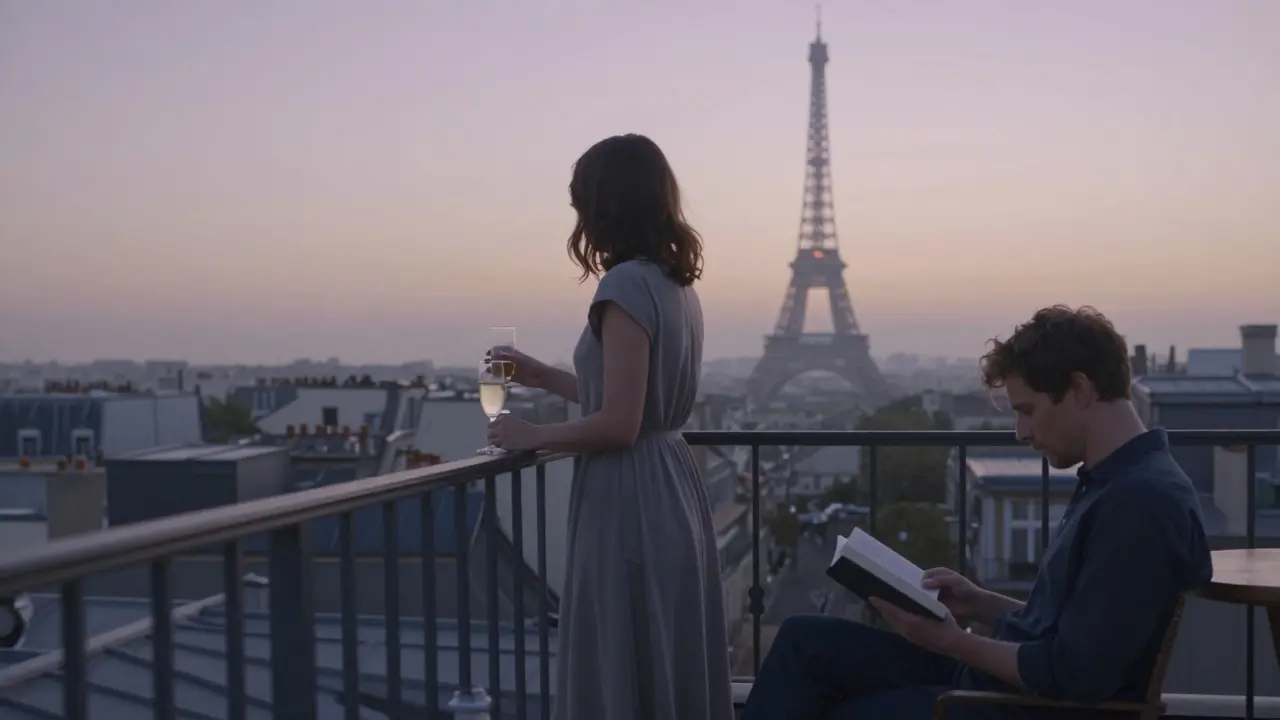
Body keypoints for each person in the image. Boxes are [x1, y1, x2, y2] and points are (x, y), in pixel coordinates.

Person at [741, 305, 1213, 719]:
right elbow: (1081, 629)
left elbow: (1076, 673)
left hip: (1019, 708)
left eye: (1027, 410)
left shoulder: (1139, 505)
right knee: (803, 640)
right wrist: (980, 603)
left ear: (1079, 389)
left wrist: (953, 641)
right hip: (1009, 689)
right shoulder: (1121, 482)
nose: (1020, 432)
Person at [485, 134, 735, 720]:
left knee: (620, 657)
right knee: (663, 654)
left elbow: (621, 423)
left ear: (605, 206)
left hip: (628, 493)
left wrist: (531, 436)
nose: (579, 218)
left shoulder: (623, 286)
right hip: (673, 487)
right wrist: (543, 376)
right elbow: (637, 401)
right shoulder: (676, 286)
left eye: (581, 203)